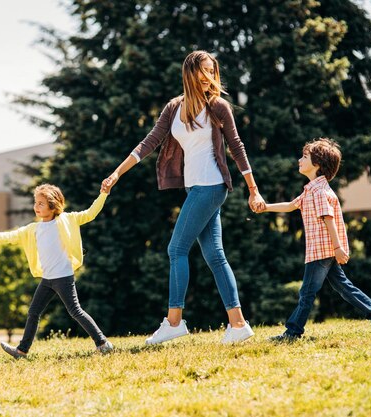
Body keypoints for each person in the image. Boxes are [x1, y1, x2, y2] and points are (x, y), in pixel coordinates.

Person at [102, 50, 265, 345]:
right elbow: (150, 141)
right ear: (190, 73)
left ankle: (174, 321)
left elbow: (236, 147)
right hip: (195, 188)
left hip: (211, 186)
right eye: (204, 71)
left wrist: (253, 189)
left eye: (212, 71)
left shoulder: (218, 107)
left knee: (176, 249)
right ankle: (238, 325)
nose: (209, 77)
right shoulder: (175, 107)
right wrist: (117, 173)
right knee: (215, 256)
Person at [257, 138, 371, 340]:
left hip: (321, 251)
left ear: (317, 165)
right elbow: (291, 205)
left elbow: (328, 219)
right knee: (344, 288)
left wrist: (338, 247)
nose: (299, 160)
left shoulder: (319, 192)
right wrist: (265, 207)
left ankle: (293, 332)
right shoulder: (311, 189)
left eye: (304, 157)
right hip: (324, 250)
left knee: (307, 293)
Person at [0, 184, 114, 358]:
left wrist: (103, 194)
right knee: (33, 312)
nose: (36, 207)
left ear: (53, 205)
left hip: (63, 277)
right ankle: (22, 351)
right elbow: (10, 236)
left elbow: (90, 213)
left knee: (75, 311)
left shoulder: (68, 220)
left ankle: (103, 343)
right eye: (35, 203)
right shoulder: (34, 229)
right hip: (47, 279)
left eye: (41, 203)